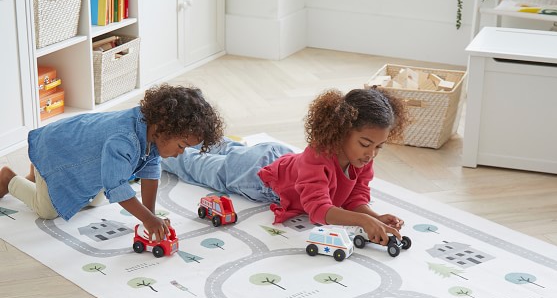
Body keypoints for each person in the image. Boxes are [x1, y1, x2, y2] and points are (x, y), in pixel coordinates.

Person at [162, 87, 408, 245]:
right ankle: (159, 149)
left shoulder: (361, 159)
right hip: (256, 176)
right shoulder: (319, 156)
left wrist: (375, 218)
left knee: (227, 149)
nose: (371, 154)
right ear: (342, 131)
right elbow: (318, 210)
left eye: (379, 146)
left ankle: (200, 137)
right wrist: (362, 221)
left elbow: (354, 197)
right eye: (365, 144)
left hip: (277, 157)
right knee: (194, 163)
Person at [0, 83, 224, 241]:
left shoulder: (153, 132)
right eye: (182, 146)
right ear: (164, 126)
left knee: (93, 201)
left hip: (78, 156)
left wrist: (150, 216)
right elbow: (116, 186)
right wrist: (148, 219)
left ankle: (38, 176)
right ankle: (9, 178)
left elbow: (150, 173)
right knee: (47, 211)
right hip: (57, 151)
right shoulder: (124, 140)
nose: (180, 154)